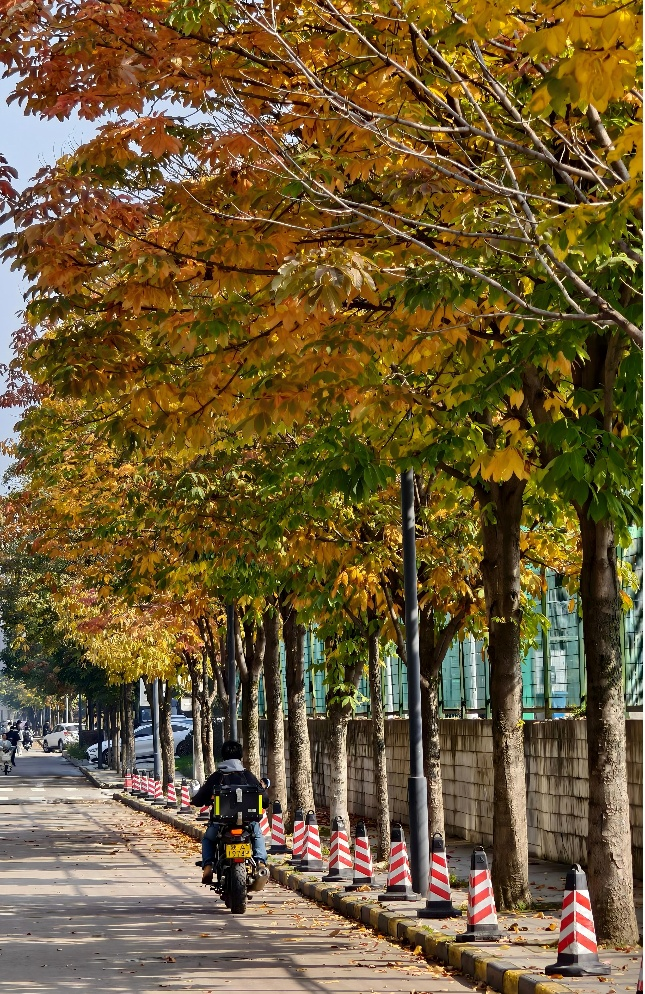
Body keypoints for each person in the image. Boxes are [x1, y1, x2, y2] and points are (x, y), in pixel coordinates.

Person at [191, 740, 268, 885]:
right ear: (240, 757)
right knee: (257, 834)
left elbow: (200, 798)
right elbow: (264, 800)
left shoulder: (217, 777)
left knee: (208, 839)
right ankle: (260, 863)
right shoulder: (248, 776)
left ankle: (207, 866)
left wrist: (195, 801)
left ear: (223, 757)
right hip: (247, 823)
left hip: (221, 825)